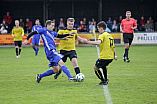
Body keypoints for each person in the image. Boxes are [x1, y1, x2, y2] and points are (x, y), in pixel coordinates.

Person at [84, 21, 117, 85]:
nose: (98, 30)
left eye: (98, 28)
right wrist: (114, 56)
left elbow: (98, 42)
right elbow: (113, 48)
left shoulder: (102, 35)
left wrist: (88, 42)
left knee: (96, 68)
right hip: (110, 57)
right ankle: (106, 79)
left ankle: (103, 81)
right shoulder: (110, 36)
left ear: (101, 28)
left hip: (105, 56)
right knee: (103, 66)